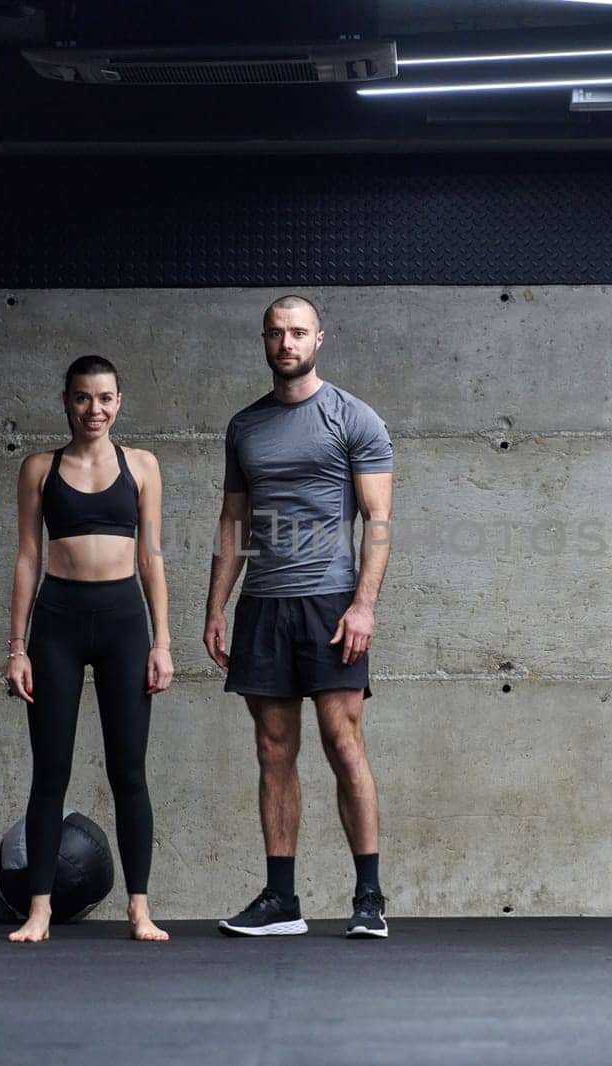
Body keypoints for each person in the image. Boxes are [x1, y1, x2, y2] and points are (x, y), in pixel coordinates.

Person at [204, 294, 394, 939]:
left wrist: (363, 606)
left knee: (343, 745)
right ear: (264, 341)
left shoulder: (353, 417)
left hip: (330, 602)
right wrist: (215, 608)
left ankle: (369, 897)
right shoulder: (245, 426)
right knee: (272, 750)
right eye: (276, 333)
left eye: (298, 333)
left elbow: (379, 522)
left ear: (320, 339)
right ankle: (282, 901)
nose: (286, 343)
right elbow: (233, 523)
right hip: (264, 604)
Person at [4, 355, 174, 943]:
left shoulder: (144, 466)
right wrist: (16, 647)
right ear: (66, 402)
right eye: (82, 398)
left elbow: (152, 558)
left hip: (126, 622)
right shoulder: (38, 469)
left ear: (119, 401)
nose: (93, 410)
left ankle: (139, 908)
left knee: (130, 771)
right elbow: (28, 557)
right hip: (58, 623)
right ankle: (41, 909)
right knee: (50, 772)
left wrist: (163, 643)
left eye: (104, 398)